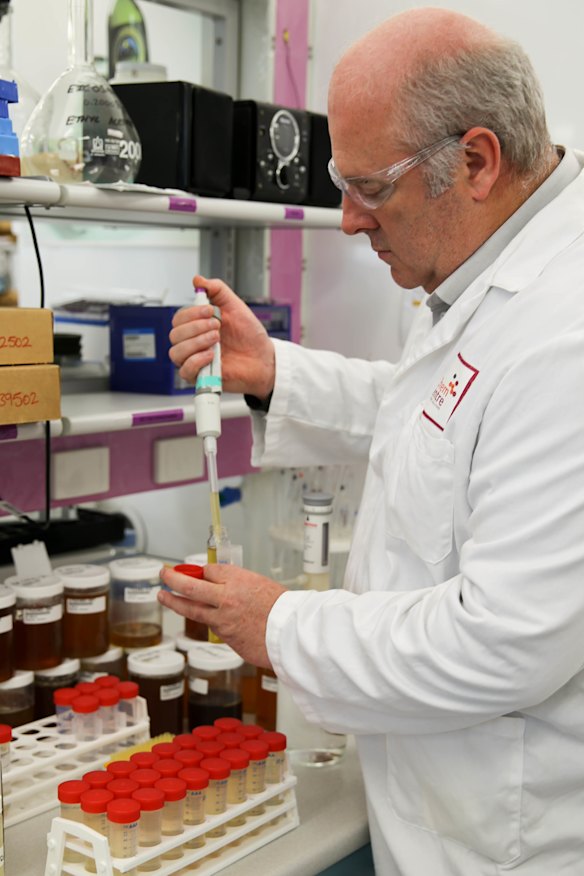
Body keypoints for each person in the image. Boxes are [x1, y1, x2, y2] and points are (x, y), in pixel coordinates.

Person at [159, 7, 584, 874]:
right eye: (339, 183)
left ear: (475, 161)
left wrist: (278, 623)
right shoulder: (490, 270)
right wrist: (275, 370)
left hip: (507, 840)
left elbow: (502, 644)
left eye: (371, 188)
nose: (349, 221)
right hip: (427, 802)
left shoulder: (564, 328)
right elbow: (441, 413)